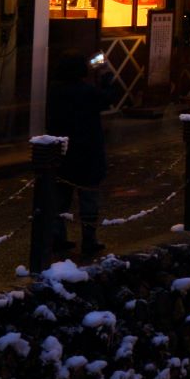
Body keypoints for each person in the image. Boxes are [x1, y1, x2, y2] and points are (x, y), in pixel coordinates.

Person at [46, 51, 114, 259]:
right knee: (88, 199)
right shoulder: (87, 92)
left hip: (62, 152)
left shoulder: (54, 91)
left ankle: (58, 238)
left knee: (60, 199)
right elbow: (107, 99)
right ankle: (89, 240)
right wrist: (106, 77)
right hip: (88, 153)